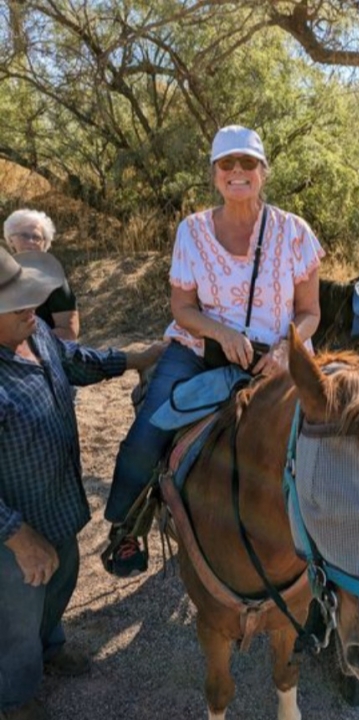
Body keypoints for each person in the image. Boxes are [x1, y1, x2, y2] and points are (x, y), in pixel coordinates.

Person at [104, 125, 324, 578]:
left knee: (327, 442)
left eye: (247, 163)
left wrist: (286, 349)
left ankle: (332, 557)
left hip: (276, 358)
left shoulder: (294, 232)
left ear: (263, 172)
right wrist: (221, 333)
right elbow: (182, 308)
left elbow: (310, 312)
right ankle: (125, 528)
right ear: (215, 174)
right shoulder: (192, 231)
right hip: (199, 349)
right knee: (146, 435)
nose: (237, 171)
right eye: (228, 163)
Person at [0, 248, 164, 720]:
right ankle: (15, 696)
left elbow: (75, 359)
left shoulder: (34, 336)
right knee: (14, 617)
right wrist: (17, 536)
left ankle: (49, 648)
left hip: (54, 507)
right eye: (17, 302)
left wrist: (137, 358)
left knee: (58, 583)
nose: (33, 307)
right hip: (13, 533)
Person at [4, 209, 80, 341]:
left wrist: (27, 345)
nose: (31, 241)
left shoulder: (53, 279)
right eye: (24, 235)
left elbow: (69, 331)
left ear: (45, 243)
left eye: (37, 237)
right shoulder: (3, 275)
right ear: (11, 240)